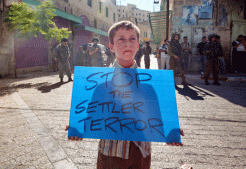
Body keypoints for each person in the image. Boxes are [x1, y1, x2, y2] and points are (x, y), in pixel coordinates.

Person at [66, 21, 184, 169]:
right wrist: (77, 128)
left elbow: (156, 118)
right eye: (121, 39)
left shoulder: (149, 85)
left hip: (141, 154)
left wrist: (169, 131)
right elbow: (91, 118)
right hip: (109, 153)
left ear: (138, 45)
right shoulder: (100, 84)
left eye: (132, 39)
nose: (127, 43)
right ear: (111, 47)